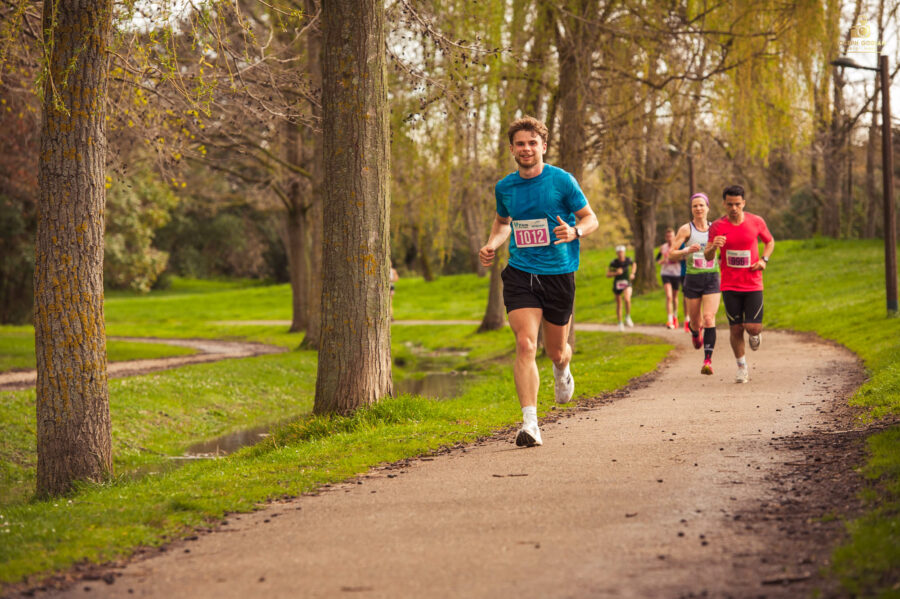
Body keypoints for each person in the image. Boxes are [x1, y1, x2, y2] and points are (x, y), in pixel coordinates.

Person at [479, 116, 598, 448]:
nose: (526, 149)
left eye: (532, 143)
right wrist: (493, 243)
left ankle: (563, 369)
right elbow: (503, 222)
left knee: (555, 351)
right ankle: (530, 424)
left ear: (543, 146)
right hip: (520, 273)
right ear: (512, 149)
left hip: (558, 274)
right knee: (525, 345)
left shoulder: (562, 181)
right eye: (520, 144)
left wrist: (575, 230)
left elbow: (591, 218)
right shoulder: (505, 187)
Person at [704, 185, 775, 384]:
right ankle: (742, 367)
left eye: (737, 204)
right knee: (735, 329)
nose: (734, 208)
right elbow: (708, 256)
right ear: (724, 204)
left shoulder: (756, 221)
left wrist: (763, 260)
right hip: (729, 284)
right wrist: (713, 247)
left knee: (752, 327)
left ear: (743, 203)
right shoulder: (717, 226)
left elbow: (770, 242)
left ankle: (755, 334)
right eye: (730, 204)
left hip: (753, 283)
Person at [668, 193, 721, 375]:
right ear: (691, 209)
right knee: (696, 322)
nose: (698, 209)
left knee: (708, 318)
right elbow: (671, 254)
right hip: (692, 279)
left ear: (708, 208)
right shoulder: (686, 230)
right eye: (695, 206)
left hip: (712, 277)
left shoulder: (716, 228)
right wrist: (686, 250)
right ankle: (694, 333)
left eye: (701, 205)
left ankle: (708, 360)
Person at [656, 228, 682, 329]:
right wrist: (661, 261)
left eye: (671, 236)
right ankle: (669, 321)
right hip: (665, 273)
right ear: (665, 238)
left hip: (676, 274)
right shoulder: (663, 247)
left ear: (674, 236)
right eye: (667, 236)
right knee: (669, 296)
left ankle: (675, 317)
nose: (669, 238)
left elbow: (683, 257)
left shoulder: (678, 246)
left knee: (675, 298)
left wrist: (675, 258)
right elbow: (657, 259)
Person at [607, 245, 635, 331]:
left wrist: (633, 273)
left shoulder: (628, 260)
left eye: (622, 252)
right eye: (619, 252)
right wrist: (616, 273)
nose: (620, 254)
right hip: (617, 284)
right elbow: (608, 274)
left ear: (624, 252)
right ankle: (620, 323)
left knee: (627, 299)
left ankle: (627, 316)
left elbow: (634, 264)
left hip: (627, 283)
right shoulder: (613, 263)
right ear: (616, 253)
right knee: (619, 304)